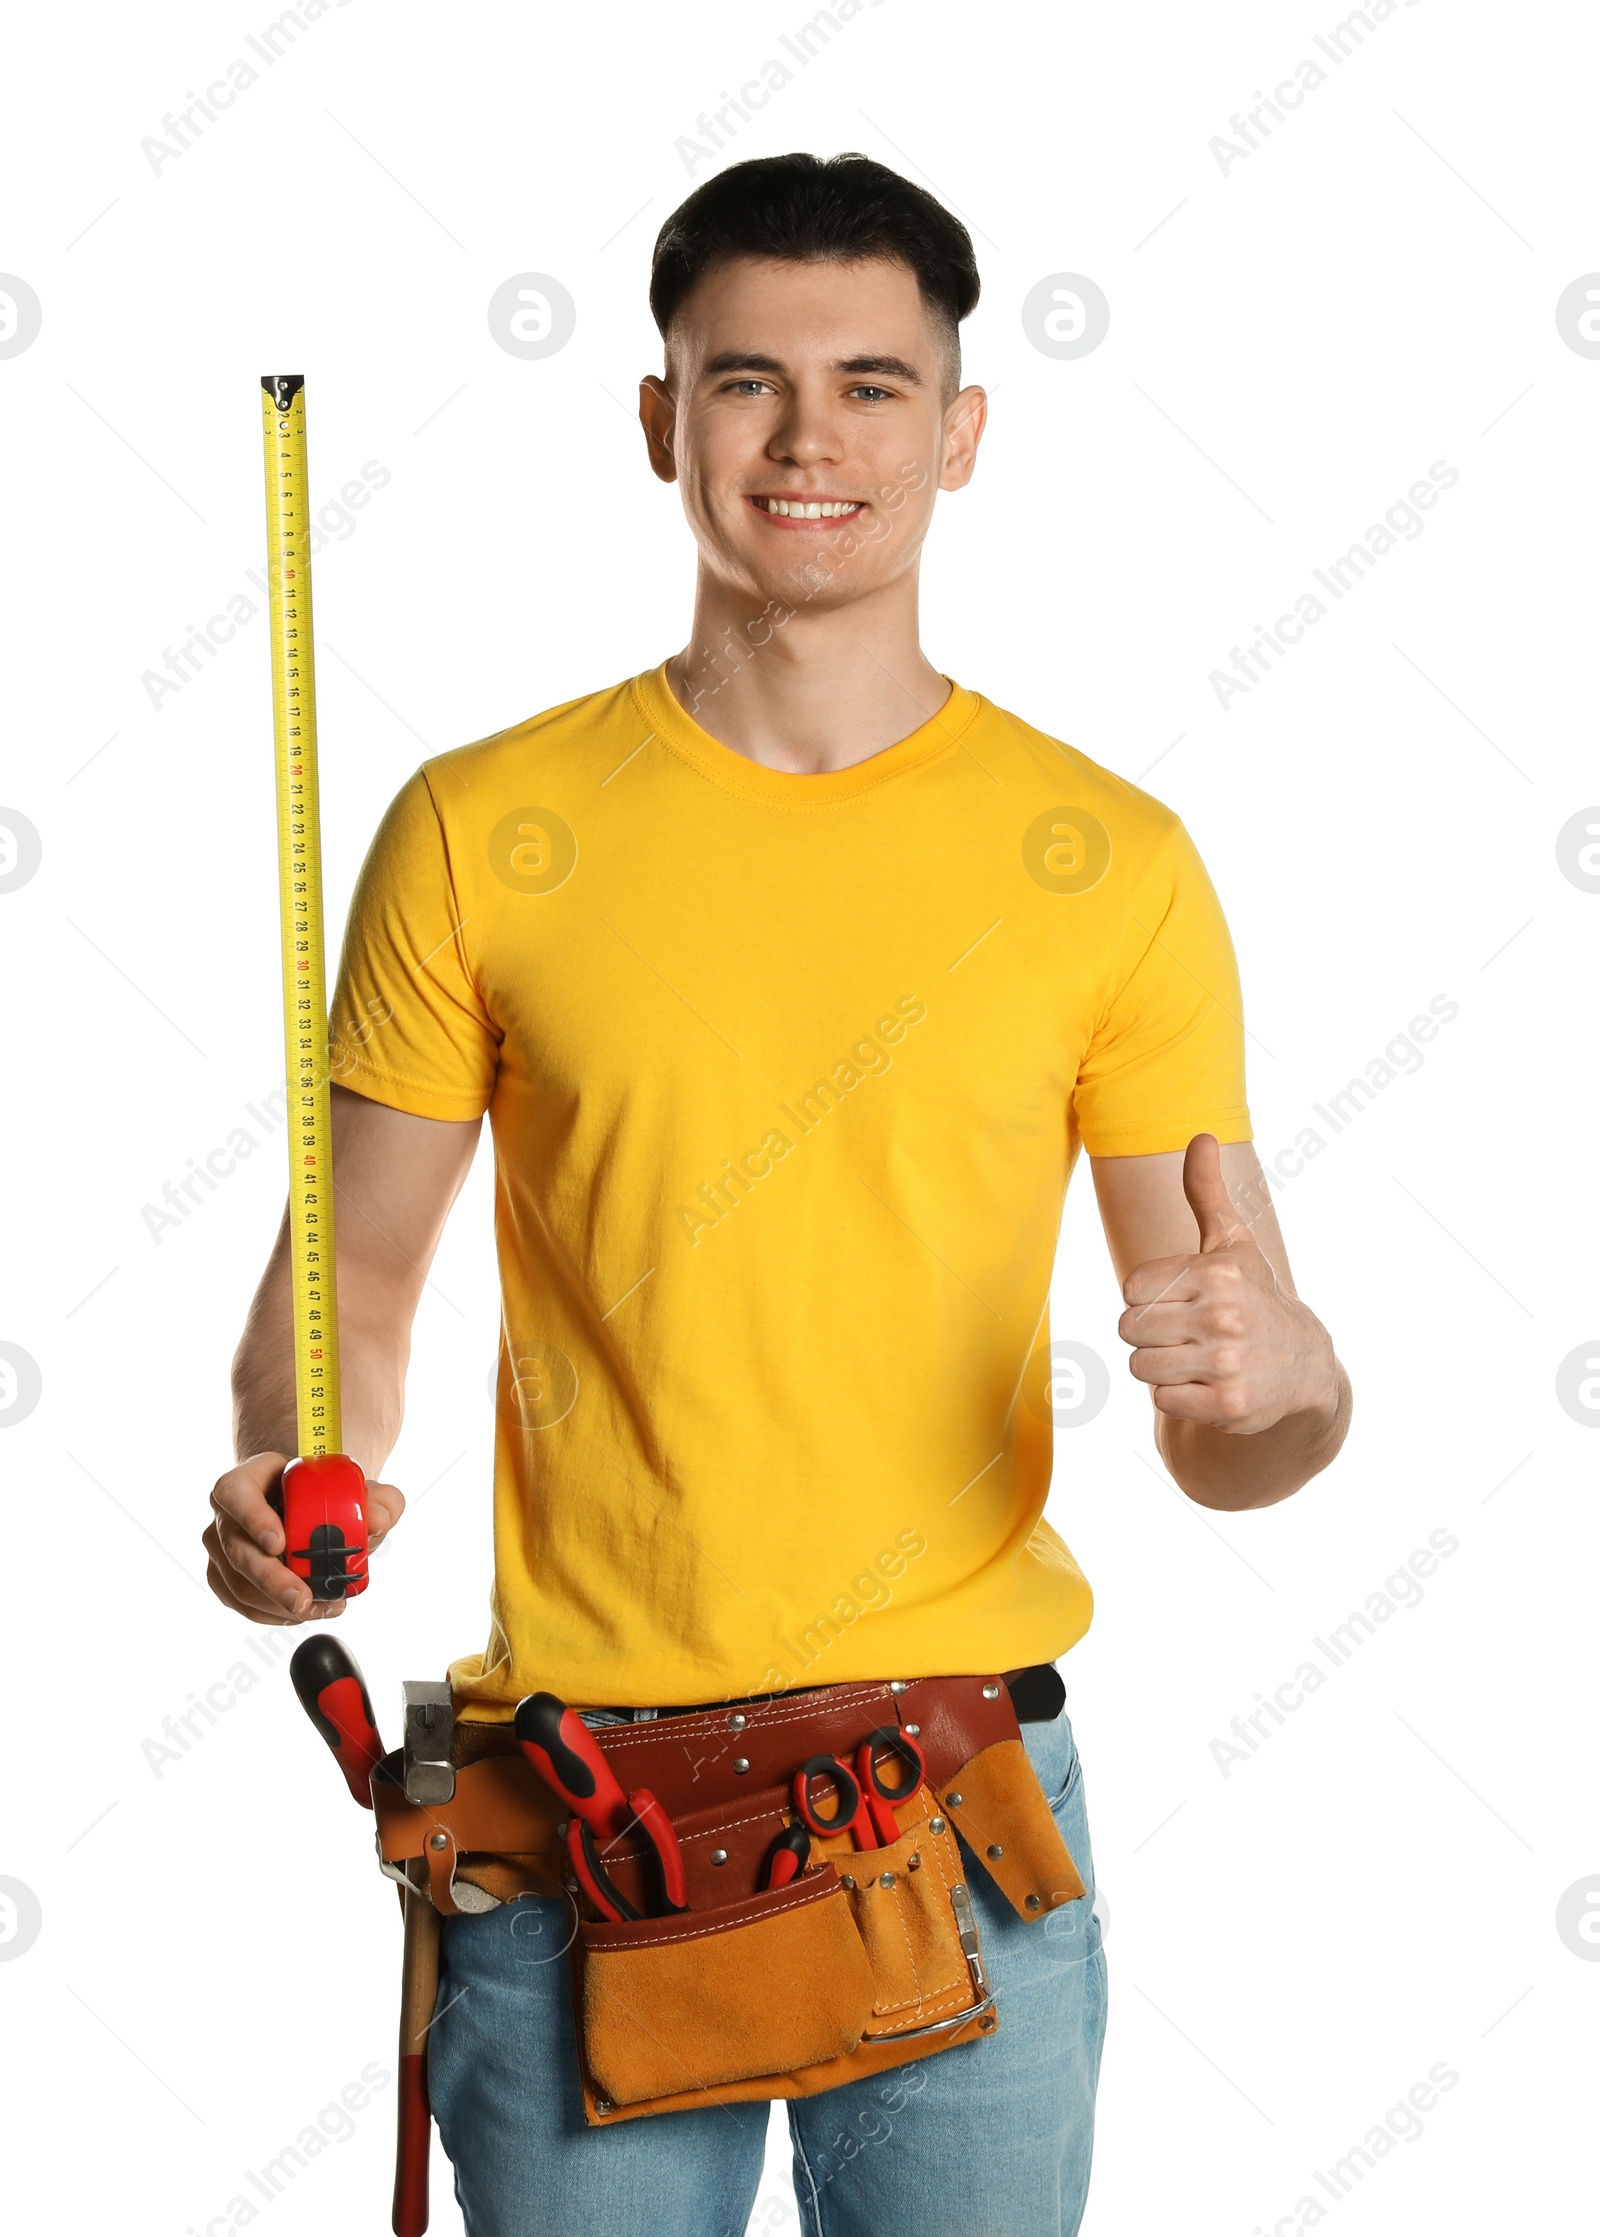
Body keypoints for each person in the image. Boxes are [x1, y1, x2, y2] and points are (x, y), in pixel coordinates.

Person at [203, 151, 1351, 2237]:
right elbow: (351, 1283)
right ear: (657, 421)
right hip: (578, 1829)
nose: (808, 438)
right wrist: (307, 1476)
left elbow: (1235, 1438)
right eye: (742, 381)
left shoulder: (1106, 863)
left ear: (959, 430)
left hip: (961, 1820)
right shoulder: (480, 829)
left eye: (872, 384)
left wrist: (1282, 1372)